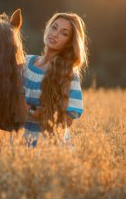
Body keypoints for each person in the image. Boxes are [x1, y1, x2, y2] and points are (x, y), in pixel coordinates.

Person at [22, 12, 88, 148]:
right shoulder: (24, 62)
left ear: (70, 43)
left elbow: (67, 120)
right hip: (17, 146)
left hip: (50, 150)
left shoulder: (68, 74)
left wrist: (29, 109)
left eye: (64, 33)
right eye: (54, 27)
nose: (55, 34)